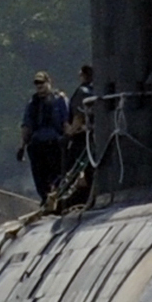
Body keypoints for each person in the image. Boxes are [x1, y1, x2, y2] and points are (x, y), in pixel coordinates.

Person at [18, 70, 71, 200]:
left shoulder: (59, 99)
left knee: (57, 175)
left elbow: (65, 122)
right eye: (37, 83)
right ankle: (45, 198)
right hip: (37, 146)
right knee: (40, 178)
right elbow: (27, 126)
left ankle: (58, 197)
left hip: (54, 144)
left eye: (41, 82)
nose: (39, 86)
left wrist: (68, 138)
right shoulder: (32, 103)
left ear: (48, 82)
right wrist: (22, 147)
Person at [64, 64, 96, 182]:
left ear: (83, 75)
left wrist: (70, 132)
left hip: (82, 137)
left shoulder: (82, 91)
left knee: (72, 167)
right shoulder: (97, 90)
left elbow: (79, 115)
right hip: (95, 134)